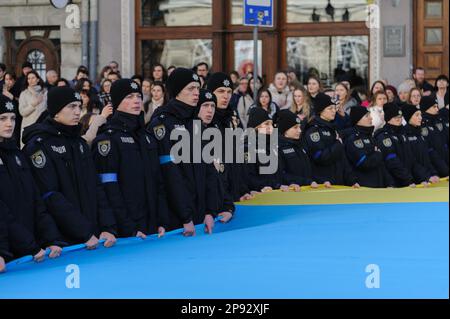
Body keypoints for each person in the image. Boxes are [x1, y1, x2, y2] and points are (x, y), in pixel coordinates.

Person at [22, 86, 117, 249]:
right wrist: (84, 232)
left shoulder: (79, 144)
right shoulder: (39, 146)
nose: (77, 112)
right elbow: (50, 196)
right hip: (64, 242)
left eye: (79, 107)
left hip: (94, 237)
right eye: (71, 107)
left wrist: (108, 227)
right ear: (56, 111)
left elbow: (96, 187)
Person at [93, 79, 169, 238]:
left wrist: (162, 220)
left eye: (138, 96)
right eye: (129, 97)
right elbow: (109, 190)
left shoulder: (146, 137)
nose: (136, 100)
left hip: (153, 227)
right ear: (117, 102)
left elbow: (159, 182)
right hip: (128, 232)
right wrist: (129, 229)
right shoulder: (108, 139)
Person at [149, 68, 218, 236]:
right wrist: (185, 217)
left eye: (198, 88)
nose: (196, 93)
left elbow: (209, 170)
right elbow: (169, 176)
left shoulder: (197, 124)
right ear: (177, 91)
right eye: (191, 89)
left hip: (202, 216)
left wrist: (211, 211)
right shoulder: (162, 123)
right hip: (177, 220)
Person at [0, 95, 64, 261]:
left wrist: (50, 239)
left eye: (13, 118)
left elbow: (35, 198)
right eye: (2, 118)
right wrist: (29, 246)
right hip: (9, 254)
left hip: (30, 250)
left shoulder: (17, 154)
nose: (9, 124)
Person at [208, 72, 253, 202]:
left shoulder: (231, 117)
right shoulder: (205, 121)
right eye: (221, 91)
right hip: (216, 200)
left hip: (234, 196)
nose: (225, 96)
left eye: (229, 91)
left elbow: (236, 160)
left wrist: (243, 189)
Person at [195, 89, 234, 223]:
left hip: (218, 213)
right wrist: (208, 212)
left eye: (212, 106)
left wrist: (228, 207)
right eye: (205, 106)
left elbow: (222, 176)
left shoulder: (215, 135)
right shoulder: (189, 136)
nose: (210, 110)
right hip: (199, 217)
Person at [304, 93, 359, 188]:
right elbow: (320, 157)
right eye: (330, 109)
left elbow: (342, 159)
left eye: (334, 108)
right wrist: (338, 144)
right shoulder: (313, 131)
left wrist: (352, 180)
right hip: (324, 184)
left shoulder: (332, 128)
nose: (334, 111)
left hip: (339, 181)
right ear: (321, 111)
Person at [343, 106, 394, 188]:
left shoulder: (370, 137)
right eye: (367, 116)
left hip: (378, 185)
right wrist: (377, 154)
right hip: (364, 186)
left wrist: (389, 183)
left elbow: (381, 165)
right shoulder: (353, 139)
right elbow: (364, 162)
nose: (371, 118)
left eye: (370, 115)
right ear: (358, 120)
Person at [374, 103, 417, 187]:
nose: (399, 120)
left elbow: (412, 159)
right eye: (396, 118)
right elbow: (392, 162)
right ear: (389, 119)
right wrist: (408, 179)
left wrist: (423, 177)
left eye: (400, 117)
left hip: (408, 180)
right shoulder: (384, 136)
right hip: (395, 183)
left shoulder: (403, 133)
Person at [277, 109, 320, 188]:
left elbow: (309, 170)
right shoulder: (278, 148)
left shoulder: (300, 144)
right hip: (290, 194)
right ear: (285, 130)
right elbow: (281, 175)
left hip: (306, 190)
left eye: (299, 127)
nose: (300, 130)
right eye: (295, 127)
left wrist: (321, 181)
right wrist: (307, 181)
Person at [244, 107, 282, 193]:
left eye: (271, 124)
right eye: (266, 124)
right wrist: (261, 186)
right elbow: (247, 176)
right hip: (257, 198)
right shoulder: (247, 147)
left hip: (276, 195)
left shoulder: (272, 146)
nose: (271, 127)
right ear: (256, 126)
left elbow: (279, 175)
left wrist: (287, 183)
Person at [401, 103, 440, 185]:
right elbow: (412, 162)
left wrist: (434, 173)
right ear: (409, 117)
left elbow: (426, 158)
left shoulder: (419, 132)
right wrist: (425, 177)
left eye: (420, 115)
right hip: (415, 181)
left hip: (426, 178)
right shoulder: (404, 135)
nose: (420, 118)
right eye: (417, 115)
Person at [419, 95, 449, 177]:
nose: (437, 109)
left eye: (437, 106)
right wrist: (444, 169)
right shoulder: (422, 125)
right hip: (436, 169)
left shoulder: (439, 120)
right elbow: (430, 151)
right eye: (434, 107)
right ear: (426, 108)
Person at [18, 71, 48, 144]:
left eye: (33, 78)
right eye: (28, 78)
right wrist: (33, 105)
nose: (30, 80)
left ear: (38, 79)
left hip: (42, 126)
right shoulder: (24, 93)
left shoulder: (45, 92)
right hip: (28, 126)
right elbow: (22, 112)